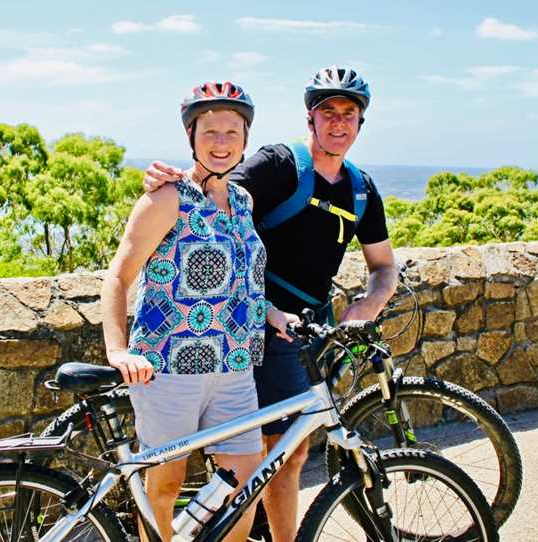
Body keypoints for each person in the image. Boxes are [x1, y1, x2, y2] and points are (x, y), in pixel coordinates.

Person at [142, 66, 398, 542]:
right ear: (310, 119)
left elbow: (384, 265)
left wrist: (366, 307)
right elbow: (213, 187)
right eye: (328, 113)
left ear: (361, 124)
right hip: (250, 326)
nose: (338, 123)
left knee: (286, 452)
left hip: (303, 329)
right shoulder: (280, 165)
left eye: (349, 114)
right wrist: (166, 178)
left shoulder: (361, 189)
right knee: (267, 454)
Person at [101, 81, 297, 542]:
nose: (222, 142)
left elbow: (239, 283)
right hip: (169, 368)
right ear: (191, 136)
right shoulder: (167, 198)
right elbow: (118, 276)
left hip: (234, 368)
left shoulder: (244, 203)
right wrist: (117, 349)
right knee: (165, 485)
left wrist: (272, 314)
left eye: (232, 132)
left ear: (246, 140)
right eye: (210, 131)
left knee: (245, 486)